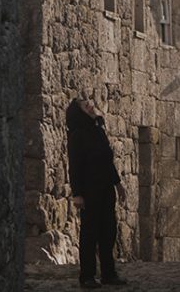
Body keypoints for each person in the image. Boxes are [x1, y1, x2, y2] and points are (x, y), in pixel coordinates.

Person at [67, 98, 128, 288]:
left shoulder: (98, 131)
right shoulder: (77, 135)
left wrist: (117, 184)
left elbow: (107, 161)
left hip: (105, 190)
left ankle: (108, 274)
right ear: (80, 113)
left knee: (108, 231)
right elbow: (74, 166)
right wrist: (77, 193)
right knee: (90, 233)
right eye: (86, 106)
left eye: (89, 104)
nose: (91, 106)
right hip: (89, 191)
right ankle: (87, 276)